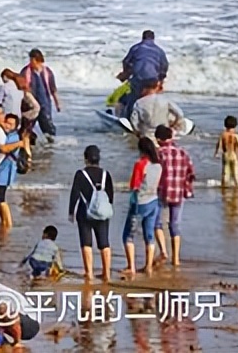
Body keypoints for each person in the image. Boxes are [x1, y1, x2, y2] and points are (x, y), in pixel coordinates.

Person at [68, 145, 113, 283]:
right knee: (104, 242)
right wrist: (107, 206)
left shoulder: (80, 174)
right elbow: (110, 195)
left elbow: (75, 193)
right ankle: (106, 273)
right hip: (103, 212)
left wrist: (71, 211)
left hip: (85, 212)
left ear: (85, 158)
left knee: (86, 242)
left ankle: (89, 273)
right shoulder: (106, 174)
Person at [154, 125, 195, 266]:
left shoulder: (159, 153)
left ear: (158, 139)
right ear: (171, 137)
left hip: (162, 191)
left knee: (157, 223)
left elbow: (153, 172)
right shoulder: (182, 152)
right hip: (178, 192)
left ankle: (164, 252)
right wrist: (186, 187)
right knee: (175, 224)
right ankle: (176, 258)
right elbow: (191, 172)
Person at [122, 137, 162, 276]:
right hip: (154, 201)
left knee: (128, 236)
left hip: (140, 202)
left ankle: (131, 266)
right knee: (149, 235)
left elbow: (134, 185)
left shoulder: (140, 164)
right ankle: (148, 265)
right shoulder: (158, 165)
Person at [0, 114, 28, 229]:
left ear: (16, 126)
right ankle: (4, 221)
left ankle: (8, 222)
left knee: (0, 197)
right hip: (2, 171)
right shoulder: (8, 135)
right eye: (6, 122)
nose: (7, 125)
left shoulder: (13, 138)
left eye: (10, 124)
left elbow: (3, 148)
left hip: (5, 172)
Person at [119, 30, 168, 115]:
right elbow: (164, 65)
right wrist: (161, 80)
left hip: (139, 77)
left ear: (142, 38)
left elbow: (126, 61)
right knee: (152, 99)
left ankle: (129, 116)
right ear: (153, 39)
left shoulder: (135, 48)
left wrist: (126, 73)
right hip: (153, 79)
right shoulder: (159, 50)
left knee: (132, 96)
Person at [20, 49, 61, 141]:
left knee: (47, 126)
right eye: (30, 60)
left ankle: (50, 145)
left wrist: (57, 103)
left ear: (39, 60)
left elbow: (53, 89)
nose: (31, 63)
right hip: (30, 104)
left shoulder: (47, 72)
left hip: (45, 103)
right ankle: (25, 145)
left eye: (32, 60)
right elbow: (21, 88)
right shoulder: (25, 71)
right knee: (27, 127)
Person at [215, 115, 238, 188]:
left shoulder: (223, 135)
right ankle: (236, 190)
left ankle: (223, 189)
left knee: (225, 175)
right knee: (236, 176)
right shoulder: (236, 136)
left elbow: (219, 145)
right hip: (234, 156)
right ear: (235, 126)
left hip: (225, 156)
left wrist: (216, 153)